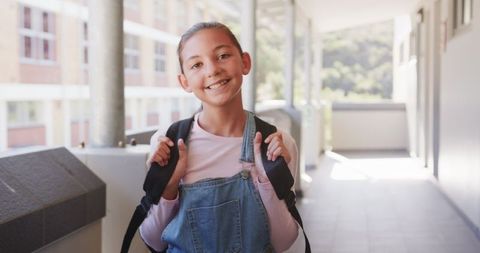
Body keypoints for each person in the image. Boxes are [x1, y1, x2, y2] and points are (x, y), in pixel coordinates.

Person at [140, 22, 299, 253]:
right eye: (196, 64)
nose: (212, 70)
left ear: (245, 62)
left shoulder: (275, 144)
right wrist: (170, 186)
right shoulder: (169, 142)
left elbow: (284, 242)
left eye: (223, 55)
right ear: (184, 81)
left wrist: (267, 182)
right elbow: (153, 241)